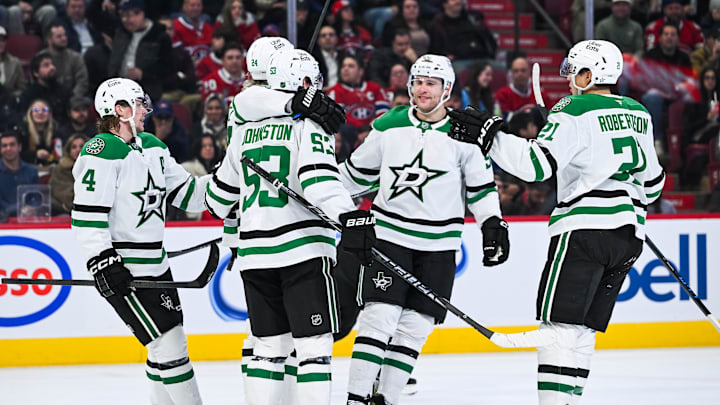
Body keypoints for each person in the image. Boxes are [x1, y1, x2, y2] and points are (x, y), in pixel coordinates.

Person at [448, 39, 665, 405]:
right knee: (581, 332)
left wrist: (493, 137)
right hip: (629, 237)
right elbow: (655, 185)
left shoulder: (573, 107)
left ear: (590, 73)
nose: (568, 79)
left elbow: (536, 166)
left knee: (557, 330)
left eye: (575, 71)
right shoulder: (639, 112)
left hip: (583, 231)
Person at [206, 48, 375, 405]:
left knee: (269, 348)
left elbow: (218, 200)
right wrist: (350, 217)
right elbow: (319, 182)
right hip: (302, 251)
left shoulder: (243, 131)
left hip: (254, 255)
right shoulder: (308, 123)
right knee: (313, 348)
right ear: (303, 83)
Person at [339, 54, 509, 405]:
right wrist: (310, 178)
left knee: (415, 328)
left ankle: (384, 398)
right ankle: (355, 399)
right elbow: (352, 176)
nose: (422, 89)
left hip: (439, 247)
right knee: (378, 319)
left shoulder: (465, 134)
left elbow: (480, 189)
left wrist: (493, 223)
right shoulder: (389, 125)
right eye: (417, 81)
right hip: (389, 239)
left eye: (431, 83)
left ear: (446, 89)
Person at [71, 77, 210, 405]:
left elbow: (190, 194)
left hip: (157, 266)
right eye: (138, 103)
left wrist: (233, 182)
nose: (146, 108)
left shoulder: (153, 147)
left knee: (166, 344)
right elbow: (87, 215)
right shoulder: (102, 150)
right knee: (170, 344)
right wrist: (102, 259)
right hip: (127, 270)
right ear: (119, 110)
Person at [108, 0, 173, 102]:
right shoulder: (120, 32)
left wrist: (143, 74)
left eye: (129, 16)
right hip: (119, 90)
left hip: (148, 92)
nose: (125, 20)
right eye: (122, 16)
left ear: (141, 14)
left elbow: (167, 67)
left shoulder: (159, 36)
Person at [328, 54, 390, 130]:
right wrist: (360, 127)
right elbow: (339, 116)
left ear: (361, 71)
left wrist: (372, 128)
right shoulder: (335, 91)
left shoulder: (375, 88)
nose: (345, 69)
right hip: (350, 134)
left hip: (374, 131)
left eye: (350, 66)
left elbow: (384, 111)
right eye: (343, 66)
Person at [19, 51, 71, 127]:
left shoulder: (63, 90)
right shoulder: (29, 94)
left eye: (52, 64)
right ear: (36, 73)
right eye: (46, 65)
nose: (52, 68)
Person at [0, 130, 39, 221]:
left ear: (19, 147)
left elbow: (36, 197)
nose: (8, 148)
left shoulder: (31, 171)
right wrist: (19, 209)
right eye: (4, 146)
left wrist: (32, 208)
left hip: (29, 220)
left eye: (12, 144)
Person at [43, 21, 89, 98]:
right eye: (59, 36)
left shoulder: (76, 57)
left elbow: (82, 82)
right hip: (48, 100)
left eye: (64, 35)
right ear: (49, 40)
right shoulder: (41, 58)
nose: (64, 38)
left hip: (73, 99)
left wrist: (72, 98)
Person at [49, 133, 88, 215]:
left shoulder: (97, 168)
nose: (78, 150)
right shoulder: (60, 169)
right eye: (74, 147)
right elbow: (62, 195)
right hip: (65, 211)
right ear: (68, 151)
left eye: (81, 146)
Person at [19, 98, 61, 166]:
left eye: (44, 110)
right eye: (36, 110)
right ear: (30, 113)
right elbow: (17, 154)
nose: (40, 113)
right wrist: (35, 154)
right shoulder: (22, 132)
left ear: (49, 114)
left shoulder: (56, 132)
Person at [0, 25, 26, 98]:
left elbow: (22, 88)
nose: (1, 43)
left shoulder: (15, 62)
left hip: (9, 102)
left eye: (3, 40)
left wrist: (10, 96)